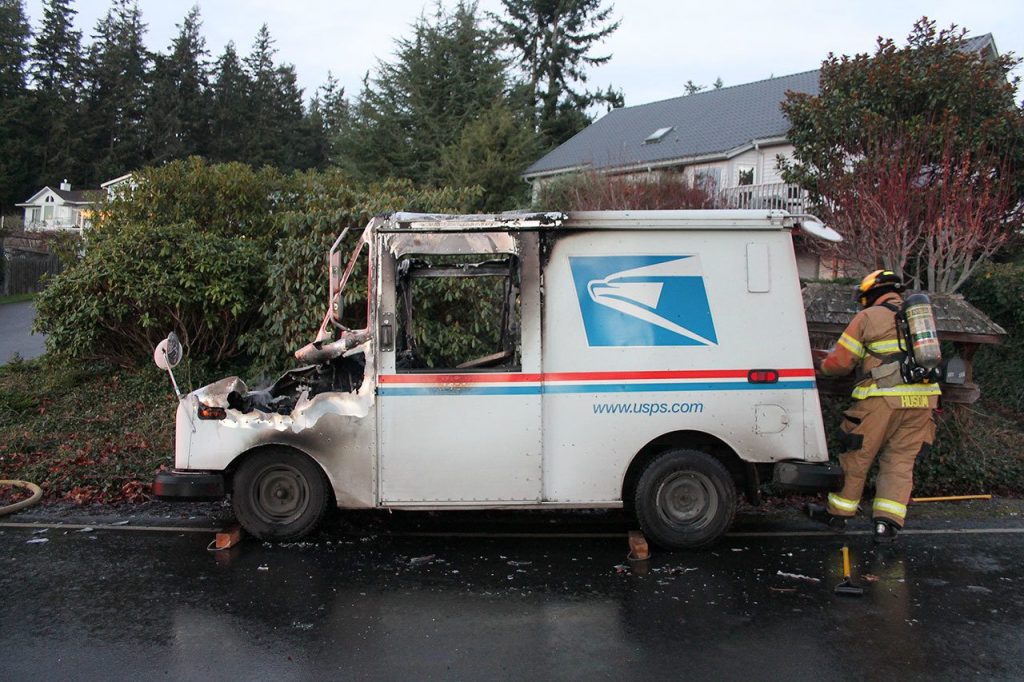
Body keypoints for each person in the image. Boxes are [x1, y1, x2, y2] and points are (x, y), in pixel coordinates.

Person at [806, 270, 940, 542]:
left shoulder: (867, 317)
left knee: (857, 456)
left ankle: (838, 515)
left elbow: (841, 363)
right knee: (900, 462)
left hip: (881, 400)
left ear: (869, 294)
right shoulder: (918, 318)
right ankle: (886, 525)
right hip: (924, 400)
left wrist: (820, 365)